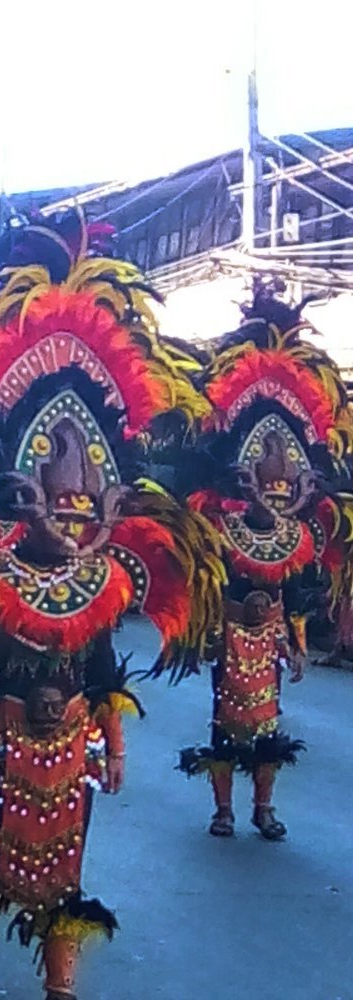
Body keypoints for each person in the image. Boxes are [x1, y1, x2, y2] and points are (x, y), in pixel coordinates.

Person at [0, 211, 222, 1000]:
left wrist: (116, 747)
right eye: (54, 489)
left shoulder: (107, 582)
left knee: (72, 858)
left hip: (75, 750)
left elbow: (99, 666)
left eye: (88, 488)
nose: (73, 505)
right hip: (9, 734)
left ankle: (60, 979)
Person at [176, 281, 353, 840]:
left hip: (271, 627)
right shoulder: (219, 521)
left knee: (269, 718)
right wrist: (205, 628)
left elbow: (298, 582)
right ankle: (225, 808)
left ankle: (262, 806)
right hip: (230, 625)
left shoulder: (296, 533)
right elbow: (203, 567)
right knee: (227, 717)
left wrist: (295, 638)